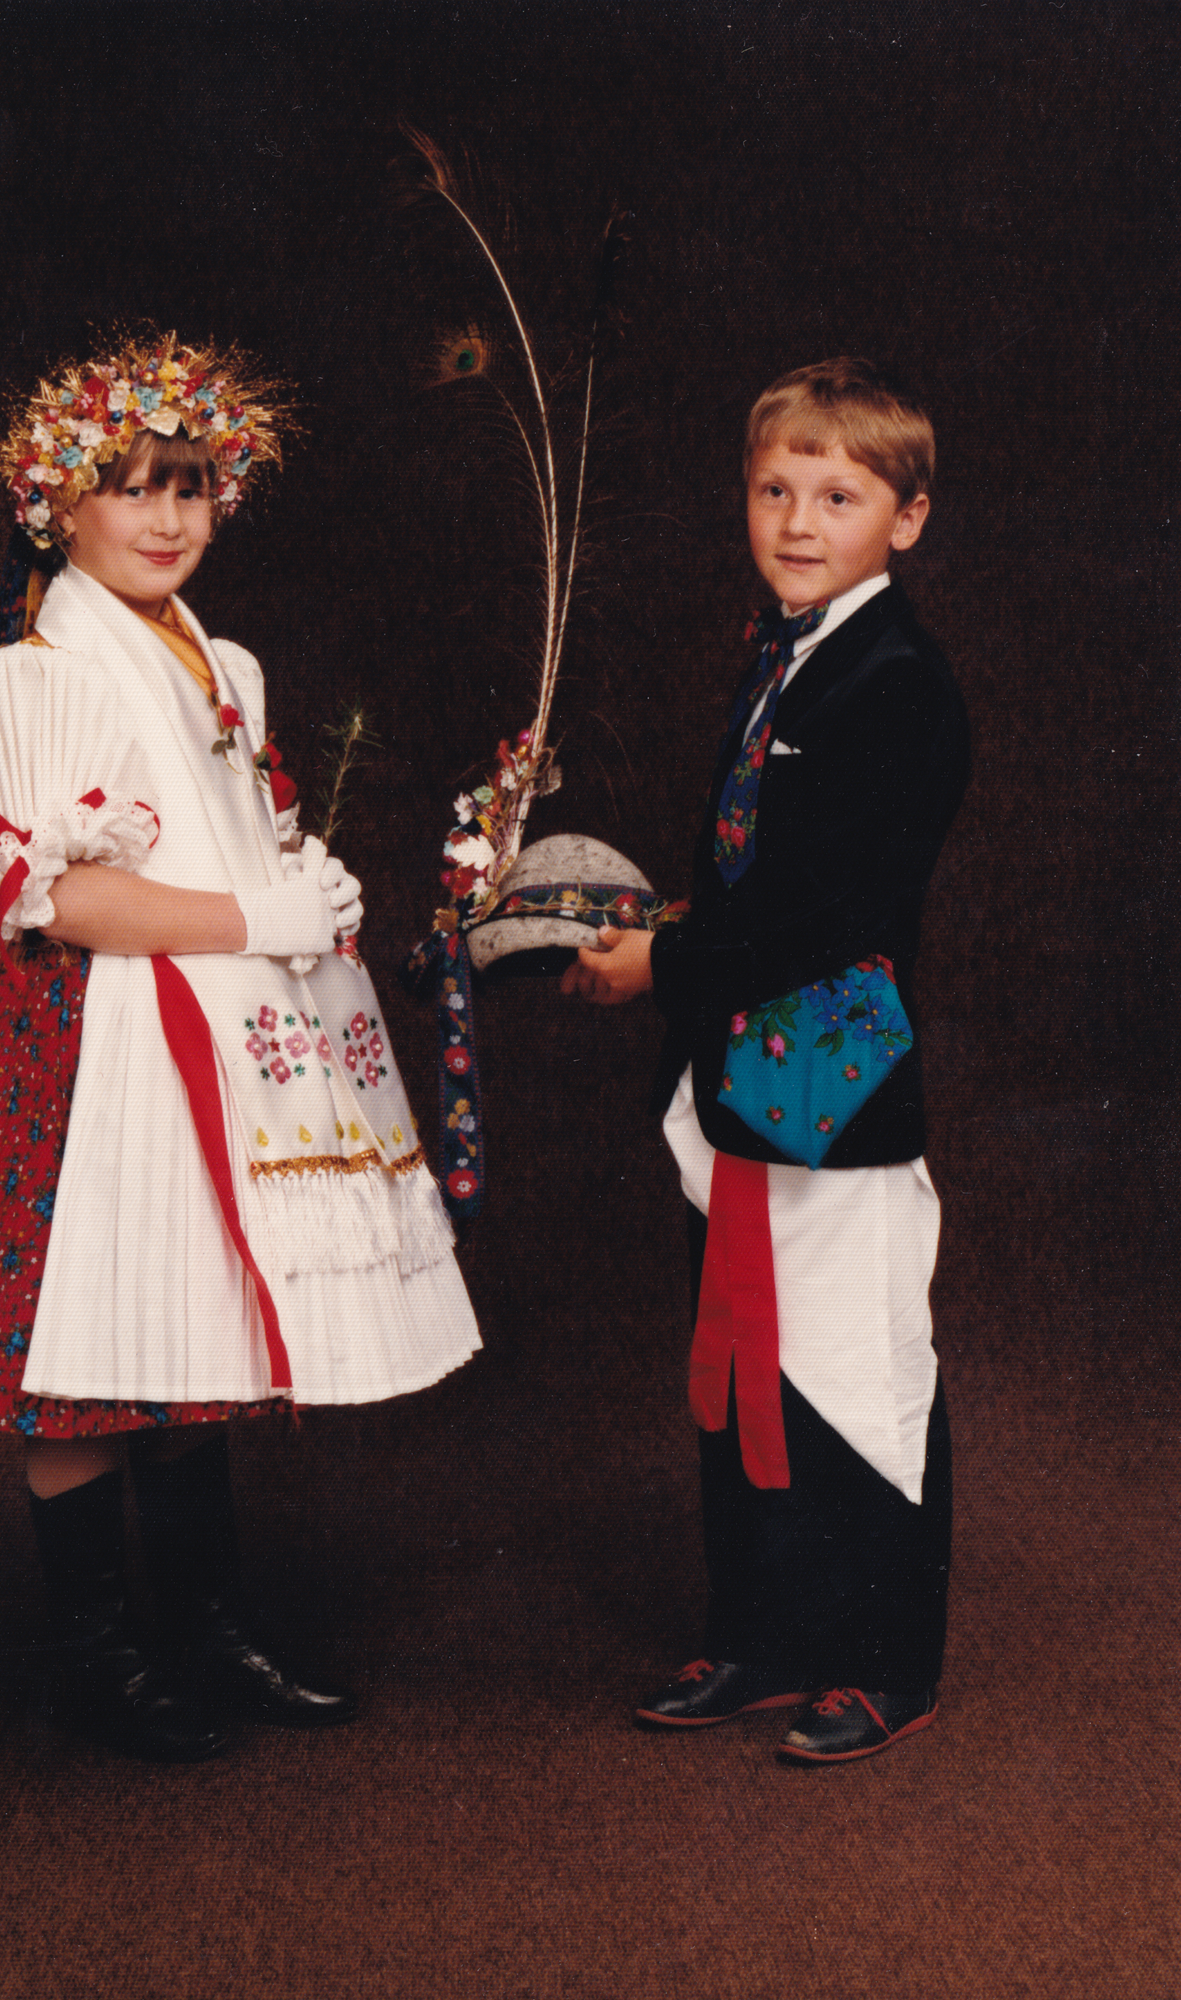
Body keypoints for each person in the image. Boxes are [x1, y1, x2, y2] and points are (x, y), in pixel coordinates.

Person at [0, 333, 481, 1762]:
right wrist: (253, 906)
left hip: (214, 1012)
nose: (166, 517)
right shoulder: (30, 676)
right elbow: (58, 895)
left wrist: (298, 892)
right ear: (56, 507)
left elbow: (217, 834)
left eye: (190, 487)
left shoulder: (224, 664)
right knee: (85, 1336)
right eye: (129, 488)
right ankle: (99, 1657)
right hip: (94, 1029)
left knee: (187, 1325)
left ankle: (206, 1628)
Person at [564, 358, 969, 1764]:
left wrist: (660, 968)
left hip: (833, 1066)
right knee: (740, 1353)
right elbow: (752, 873)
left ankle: (884, 1660)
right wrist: (663, 925)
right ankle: (763, 1631)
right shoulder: (785, 647)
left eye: (840, 495)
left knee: (852, 1363)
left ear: (903, 518)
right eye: (777, 488)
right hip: (737, 1057)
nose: (801, 519)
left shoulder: (899, 680)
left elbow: (829, 915)